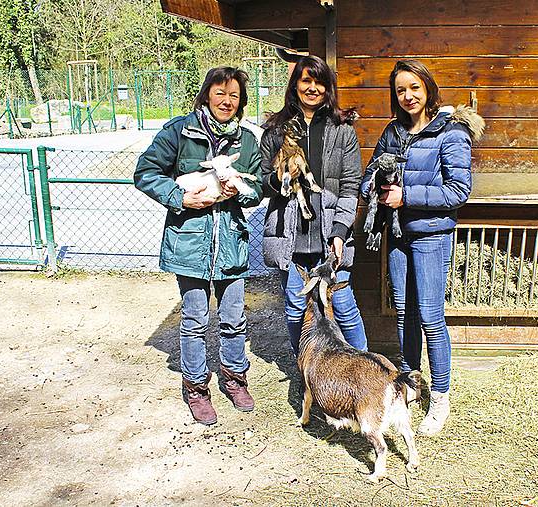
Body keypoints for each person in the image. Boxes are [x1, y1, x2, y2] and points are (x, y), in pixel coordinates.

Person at [360, 59, 484, 435]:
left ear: (427, 87)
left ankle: (441, 397)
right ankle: (411, 382)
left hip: (430, 232)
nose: (408, 96)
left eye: (414, 87)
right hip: (397, 233)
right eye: (400, 90)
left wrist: (405, 195)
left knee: (430, 316)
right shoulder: (394, 131)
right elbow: (369, 173)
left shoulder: (451, 132)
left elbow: (459, 191)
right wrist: (374, 190)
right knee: (403, 312)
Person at [134, 67, 263, 425]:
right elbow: (145, 173)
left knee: (234, 318)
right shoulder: (179, 132)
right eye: (220, 93)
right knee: (194, 318)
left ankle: (235, 378)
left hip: (232, 243)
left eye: (234, 95)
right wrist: (179, 197)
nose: (227, 101)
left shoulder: (246, 141)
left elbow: (261, 186)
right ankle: (196, 387)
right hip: (189, 243)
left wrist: (245, 192)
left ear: (241, 102)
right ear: (207, 94)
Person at [261, 55, 367, 354]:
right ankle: (308, 374)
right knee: (297, 309)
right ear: (295, 85)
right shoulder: (276, 130)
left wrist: (340, 230)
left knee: (343, 306)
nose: (313, 88)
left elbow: (350, 187)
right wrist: (277, 179)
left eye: (319, 82)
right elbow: (259, 183)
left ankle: (363, 369)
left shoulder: (342, 129)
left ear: (328, 87)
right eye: (306, 80)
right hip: (290, 237)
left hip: (330, 237)